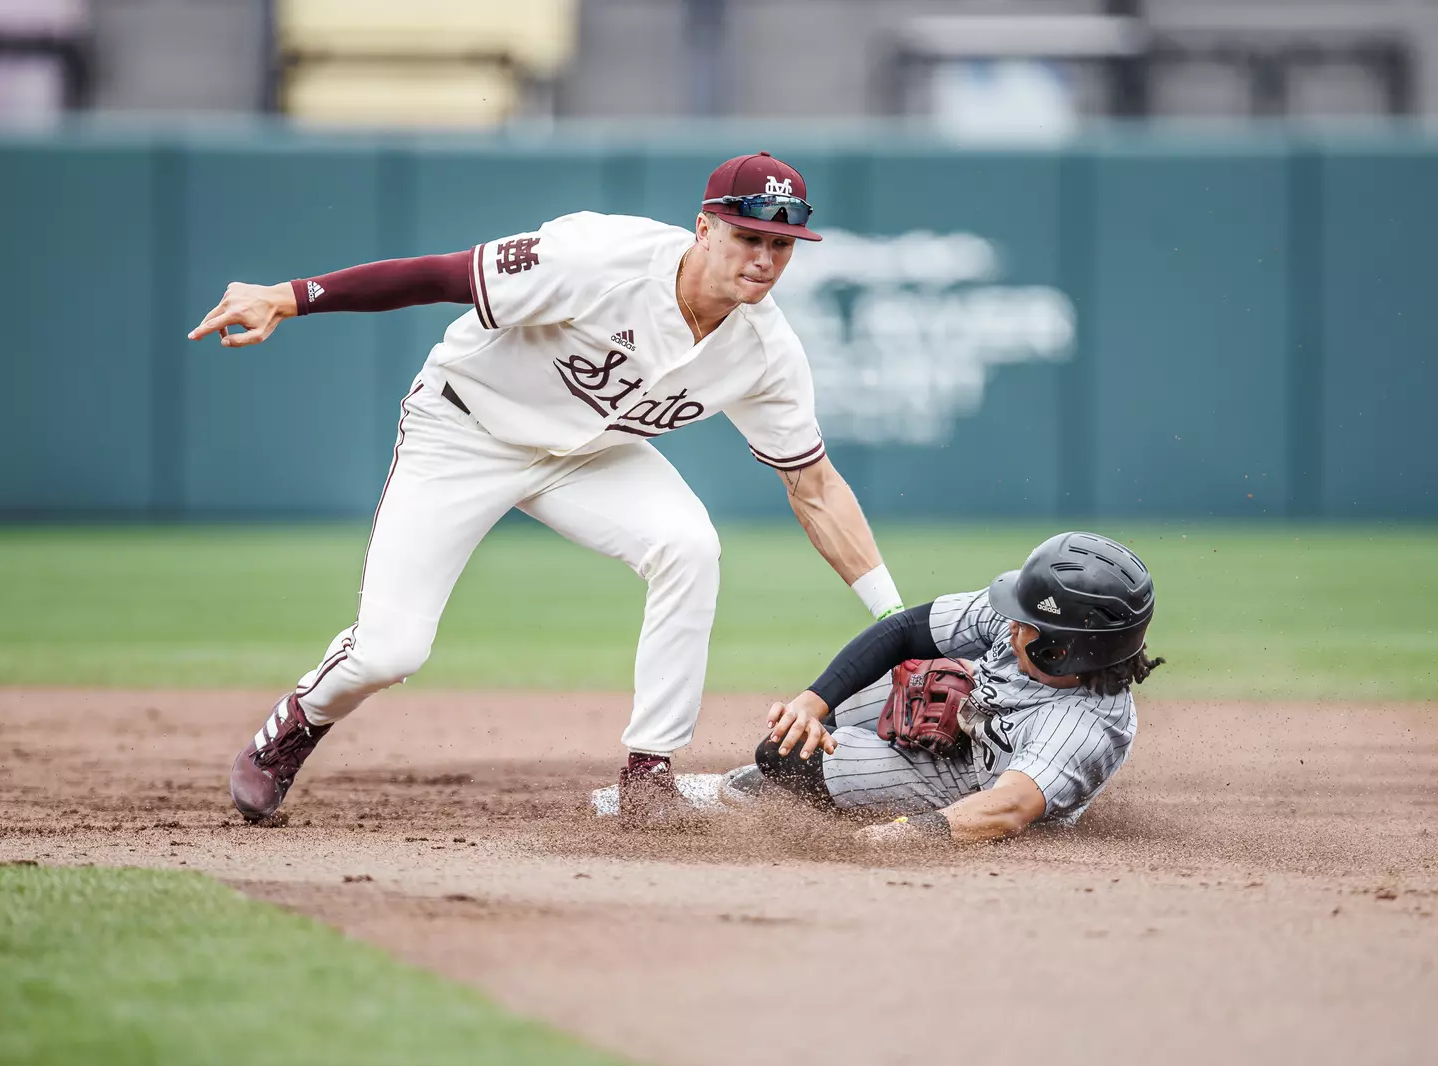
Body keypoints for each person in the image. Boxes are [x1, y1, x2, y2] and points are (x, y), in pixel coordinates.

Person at [186, 152, 903, 823]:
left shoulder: (765, 351)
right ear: (704, 228)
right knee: (389, 653)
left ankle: (648, 773)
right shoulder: (601, 258)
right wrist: (289, 297)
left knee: (688, 547)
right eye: (748, 237)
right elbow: (441, 275)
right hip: (464, 430)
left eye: (781, 246)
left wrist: (894, 623)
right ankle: (298, 722)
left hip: (588, 456)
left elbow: (813, 486)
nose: (764, 259)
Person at [731, 532, 1163, 845]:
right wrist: (811, 702)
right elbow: (904, 631)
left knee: (781, 759)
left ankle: (846, 795)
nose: (1010, 623)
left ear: (1064, 650)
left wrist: (903, 834)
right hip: (964, 723)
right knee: (804, 728)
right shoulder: (1032, 626)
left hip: (972, 786)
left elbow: (1008, 807)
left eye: (1025, 624)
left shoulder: (1081, 726)